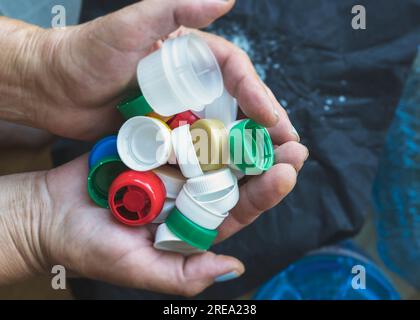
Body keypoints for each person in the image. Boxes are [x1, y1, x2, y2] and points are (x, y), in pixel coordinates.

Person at [0, 0, 308, 296]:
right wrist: (32, 227)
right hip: (155, 161)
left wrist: (41, 70)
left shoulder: (205, 144)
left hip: (168, 169)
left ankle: (29, 126)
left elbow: (201, 156)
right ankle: (28, 125)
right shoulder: (192, 147)